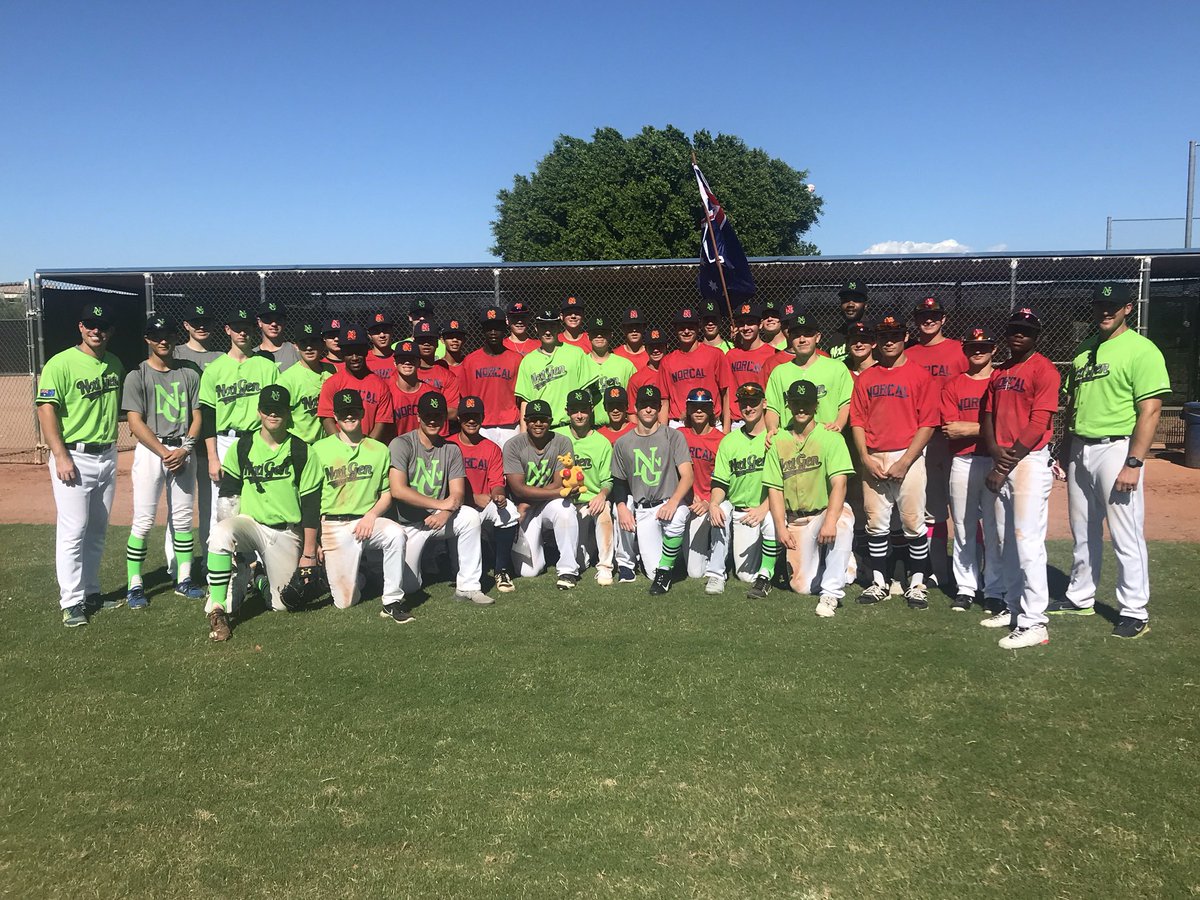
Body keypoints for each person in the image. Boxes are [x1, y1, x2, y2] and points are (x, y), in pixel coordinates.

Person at [1050, 284, 1171, 639]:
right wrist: (1064, 447)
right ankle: (1080, 596)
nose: (1105, 312)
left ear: (1127, 309)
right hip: (1080, 448)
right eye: (1100, 306)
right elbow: (1072, 404)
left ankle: (1134, 609)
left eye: (1112, 306)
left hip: (1118, 447)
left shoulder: (1141, 350)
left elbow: (1150, 409)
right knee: (1083, 529)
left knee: (1125, 531)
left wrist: (1134, 462)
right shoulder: (1084, 349)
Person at [204, 385, 322, 642]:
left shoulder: (301, 450)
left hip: (286, 531)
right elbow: (229, 493)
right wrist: (232, 544)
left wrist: (309, 554)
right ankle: (217, 608)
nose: (273, 414)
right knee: (220, 534)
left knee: (283, 604)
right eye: (268, 409)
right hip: (251, 524)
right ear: (259, 412)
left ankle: (259, 579)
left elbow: (312, 506)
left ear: (288, 413)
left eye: (279, 410)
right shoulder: (243, 446)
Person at [36, 301, 124, 627]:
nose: (96, 330)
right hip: (74, 456)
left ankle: (91, 591)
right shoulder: (60, 364)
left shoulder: (114, 364)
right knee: (73, 530)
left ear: (111, 330)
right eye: (90, 324)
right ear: (81, 327)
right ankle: (71, 601)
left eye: (102, 326)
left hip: (108, 454)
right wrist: (60, 455)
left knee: (98, 530)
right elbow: (46, 409)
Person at [979, 308, 1060, 649]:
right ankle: (1013, 609)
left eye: (1025, 331)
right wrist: (994, 449)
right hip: (1004, 458)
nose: (1018, 335)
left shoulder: (1044, 369)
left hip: (1028, 461)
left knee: (1027, 542)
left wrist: (1003, 464)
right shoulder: (1001, 372)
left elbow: (1038, 422)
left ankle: (1035, 622)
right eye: (1014, 329)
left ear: (1035, 336)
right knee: (1003, 540)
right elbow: (987, 414)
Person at [849, 313, 938, 608]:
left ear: (905, 338)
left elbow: (928, 423)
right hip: (874, 456)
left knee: (913, 522)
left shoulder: (920, 375)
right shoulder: (868, 377)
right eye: (884, 336)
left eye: (895, 335)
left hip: (907, 455)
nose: (889, 341)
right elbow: (857, 421)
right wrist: (864, 457)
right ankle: (878, 581)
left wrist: (906, 461)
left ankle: (917, 583)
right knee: (876, 523)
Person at [122, 314, 205, 609]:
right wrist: (163, 451)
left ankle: (183, 579)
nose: (163, 340)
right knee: (143, 520)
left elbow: (197, 416)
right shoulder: (137, 375)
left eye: (168, 334)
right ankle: (135, 585)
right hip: (151, 450)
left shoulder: (190, 373)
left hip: (183, 448)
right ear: (147, 339)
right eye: (157, 335)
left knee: (182, 519)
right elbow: (134, 421)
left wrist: (184, 449)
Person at [313, 389, 410, 617]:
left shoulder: (378, 450)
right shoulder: (319, 450)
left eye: (354, 411)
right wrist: (317, 538)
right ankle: (361, 574)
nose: (349, 417)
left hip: (367, 521)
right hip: (333, 525)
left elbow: (386, 493)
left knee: (396, 534)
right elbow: (312, 497)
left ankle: (393, 600)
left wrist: (372, 515)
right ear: (335, 417)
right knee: (345, 602)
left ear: (362, 412)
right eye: (344, 413)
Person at [388, 391, 491, 604]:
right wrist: (439, 505)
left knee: (470, 517)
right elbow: (398, 490)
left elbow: (458, 493)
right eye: (427, 415)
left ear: (445, 418)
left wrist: (445, 511)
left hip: (438, 518)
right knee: (410, 586)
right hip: (407, 524)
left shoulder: (451, 449)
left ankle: (469, 586)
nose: (433, 421)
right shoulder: (401, 444)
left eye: (438, 415)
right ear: (418, 416)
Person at [765, 380, 856, 617]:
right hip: (796, 520)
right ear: (788, 405)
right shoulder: (777, 441)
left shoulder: (831, 438)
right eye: (796, 403)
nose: (801, 408)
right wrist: (780, 528)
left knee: (842, 521)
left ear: (816, 405)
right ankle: (843, 565)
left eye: (806, 403)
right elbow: (775, 489)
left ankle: (831, 593)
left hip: (825, 511)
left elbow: (840, 483)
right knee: (802, 587)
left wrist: (829, 522)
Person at [198, 307, 280, 535]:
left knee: (259, 502)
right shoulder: (214, 370)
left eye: (246, 329)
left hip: (258, 441)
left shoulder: (267, 367)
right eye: (237, 328)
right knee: (224, 506)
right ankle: (220, 566)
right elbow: (208, 415)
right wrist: (213, 457)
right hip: (225, 442)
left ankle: (254, 566)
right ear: (227, 330)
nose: (242, 333)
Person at [941, 327, 1004, 613]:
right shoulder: (954, 384)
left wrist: (974, 429)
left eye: (984, 346)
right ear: (965, 351)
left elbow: (1006, 426)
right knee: (964, 527)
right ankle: (966, 587)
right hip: (963, 461)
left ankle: (994, 589)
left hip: (994, 461)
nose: (978, 351)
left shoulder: (1001, 380)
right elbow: (951, 429)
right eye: (972, 347)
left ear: (994, 350)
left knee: (994, 528)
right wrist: (988, 430)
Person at [904, 296, 966, 589]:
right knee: (932, 507)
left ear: (944, 319)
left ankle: (971, 571)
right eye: (922, 316)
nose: (928, 320)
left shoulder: (959, 350)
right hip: (921, 436)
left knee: (966, 509)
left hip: (953, 436)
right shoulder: (909, 353)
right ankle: (936, 568)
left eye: (934, 315)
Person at [611, 385, 694, 593]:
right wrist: (621, 507)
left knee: (676, 519)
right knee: (651, 572)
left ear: (659, 409)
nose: (648, 410)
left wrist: (674, 502)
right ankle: (670, 561)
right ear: (636, 408)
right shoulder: (622, 443)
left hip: (670, 501)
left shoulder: (673, 436)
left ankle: (666, 570)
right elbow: (619, 481)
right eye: (644, 405)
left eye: (653, 405)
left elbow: (688, 475)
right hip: (644, 509)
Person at [706, 383, 779, 599]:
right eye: (744, 403)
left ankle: (768, 573)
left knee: (774, 520)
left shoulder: (775, 437)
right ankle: (716, 574)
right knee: (745, 575)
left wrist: (764, 508)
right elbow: (720, 483)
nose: (748, 407)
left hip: (768, 508)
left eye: (754, 402)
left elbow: (784, 483)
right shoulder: (729, 441)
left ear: (764, 403)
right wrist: (713, 503)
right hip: (741, 511)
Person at [504, 399, 581, 587]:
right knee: (529, 572)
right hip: (521, 507)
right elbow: (518, 488)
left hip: (538, 505)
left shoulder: (562, 442)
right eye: (533, 419)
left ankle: (568, 570)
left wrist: (530, 503)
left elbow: (558, 482)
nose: (538, 424)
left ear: (551, 420)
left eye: (543, 419)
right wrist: (558, 492)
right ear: (525, 420)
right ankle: (545, 550)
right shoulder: (513, 445)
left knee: (565, 509)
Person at [170, 302, 222, 581]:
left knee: (211, 506)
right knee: (179, 507)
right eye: (195, 322)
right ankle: (175, 564)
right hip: (181, 440)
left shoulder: (220, 356)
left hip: (211, 441)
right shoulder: (174, 353)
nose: (201, 326)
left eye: (206, 322)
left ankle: (208, 561)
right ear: (186, 326)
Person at [451, 395, 518, 593]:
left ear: (483, 418)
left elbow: (497, 483)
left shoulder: (492, 448)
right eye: (466, 416)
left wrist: (499, 495)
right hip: (455, 510)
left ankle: (501, 569)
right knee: (456, 568)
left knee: (510, 511)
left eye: (476, 416)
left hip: (483, 505)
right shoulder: (448, 445)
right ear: (459, 419)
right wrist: (472, 498)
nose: (471, 420)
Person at [764, 308, 853, 438]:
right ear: (790, 338)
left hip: (827, 438)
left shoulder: (837, 368)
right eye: (796, 335)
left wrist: (838, 424)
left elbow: (846, 402)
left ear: (817, 338)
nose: (802, 339)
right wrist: (772, 429)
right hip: (791, 442)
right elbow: (773, 408)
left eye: (807, 334)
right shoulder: (779, 372)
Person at [558, 390, 616, 585]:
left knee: (605, 511)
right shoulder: (558, 437)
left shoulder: (602, 443)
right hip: (566, 503)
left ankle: (605, 567)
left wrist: (602, 495)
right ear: (567, 411)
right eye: (575, 410)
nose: (580, 415)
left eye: (584, 410)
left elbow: (608, 480)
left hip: (592, 503)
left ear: (591, 410)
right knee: (580, 563)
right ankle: (588, 547)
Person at [514, 309, 596, 429]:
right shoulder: (528, 361)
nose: (547, 332)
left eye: (552, 326)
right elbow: (525, 402)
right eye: (543, 326)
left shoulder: (576, 354)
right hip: (540, 428)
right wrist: (524, 433)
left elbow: (587, 392)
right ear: (536, 328)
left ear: (558, 327)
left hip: (571, 427)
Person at [458, 306, 523, 447]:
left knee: (511, 468)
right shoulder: (470, 361)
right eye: (489, 328)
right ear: (482, 330)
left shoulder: (517, 359)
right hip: (481, 425)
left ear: (505, 329)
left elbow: (521, 398)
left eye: (497, 328)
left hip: (510, 426)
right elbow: (464, 396)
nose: (493, 332)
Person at [658, 307, 733, 430]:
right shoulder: (667, 361)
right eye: (682, 327)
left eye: (691, 327)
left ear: (698, 328)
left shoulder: (715, 355)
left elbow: (726, 393)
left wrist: (726, 429)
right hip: (679, 425)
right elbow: (664, 400)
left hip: (711, 423)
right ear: (676, 330)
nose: (686, 331)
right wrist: (662, 432)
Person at [679, 388, 724, 583]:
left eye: (704, 407)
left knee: (695, 572)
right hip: (683, 503)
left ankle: (717, 552)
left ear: (711, 410)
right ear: (688, 409)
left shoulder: (721, 440)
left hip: (706, 504)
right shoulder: (678, 435)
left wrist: (708, 502)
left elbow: (724, 479)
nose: (699, 411)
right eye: (694, 407)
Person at [317, 324, 393, 440]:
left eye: (358, 351)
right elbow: (327, 419)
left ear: (366, 352)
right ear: (342, 354)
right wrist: (342, 445)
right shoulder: (332, 383)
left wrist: (366, 448)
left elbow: (381, 422)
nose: (354, 357)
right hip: (340, 449)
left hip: (369, 448)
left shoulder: (380, 385)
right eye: (349, 352)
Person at [277, 321, 335, 445]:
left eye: (313, 342)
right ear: (296, 346)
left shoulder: (332, 371)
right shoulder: (287, 379)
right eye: (303, 343)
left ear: (322, 344)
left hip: (327, 445)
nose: (309, 348)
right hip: (300, 445)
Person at [586, 315, 635, 420]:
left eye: (603, 333)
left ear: (611, 335)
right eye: (595, 333)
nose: (599, 336)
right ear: (588, 336)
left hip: (620, 426)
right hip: (589, 428)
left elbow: (633, 401)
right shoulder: (580, 364)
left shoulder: (625, 365)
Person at [726, 302, 779, 397]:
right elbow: (727, 390)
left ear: (760, 324)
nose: (746, 328)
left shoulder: (773, 354)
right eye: (741, 324)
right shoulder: (730, 355)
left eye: (750, 323)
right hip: (735, 411)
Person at [413, 320, 460, 415]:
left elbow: (453, 412)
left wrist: (424, 415)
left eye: (430, 340)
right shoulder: (405, 373)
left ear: (437, 343)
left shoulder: (448, 376)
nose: (426, 344)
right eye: (422, 340)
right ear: (415, 343)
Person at [390, 340, 437, 435]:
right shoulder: (388, 393)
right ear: (395, 363)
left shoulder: (432, 393)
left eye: (411, 359)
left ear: (419, 363)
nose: (407, 362)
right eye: (402, 359)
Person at [625, 326, 668, 415]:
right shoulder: (636, 379)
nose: (655, 350)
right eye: (652, 347)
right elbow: (632, 412)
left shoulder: (674, 372)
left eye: (659, 346)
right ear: (646, 348)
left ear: (666, 346)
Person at [826, 280, 870, 361]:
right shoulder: (837, 335)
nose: (850, 304)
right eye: (846, 300)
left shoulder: (873, 332)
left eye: (856, 300)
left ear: (865, 305)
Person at [256, 300, 300, 371]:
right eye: (268, 319)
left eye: (278, 319)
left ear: (285, 321)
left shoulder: (296, 351)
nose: (273, 324)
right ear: (260, 322)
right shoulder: (252, 355)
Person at [365, 311, 398, 383]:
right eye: (376, 331)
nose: (382, 335)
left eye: (386, 330)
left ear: (392, 331)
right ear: (369, 335)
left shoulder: (401, 358)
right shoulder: (364, 360)